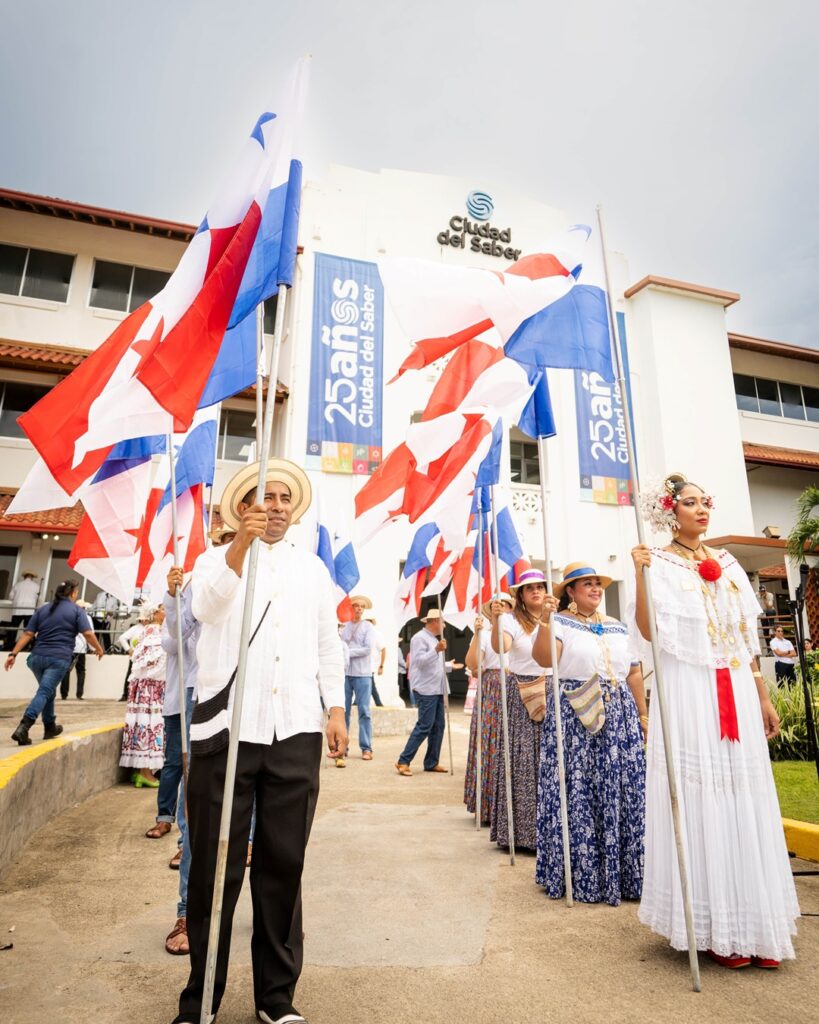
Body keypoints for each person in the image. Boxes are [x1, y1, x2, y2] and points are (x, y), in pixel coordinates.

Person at [174, 458, 346, 1024]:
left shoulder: (314, 570)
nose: (273, 506)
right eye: (262, 498)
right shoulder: (213, 560)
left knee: (283, 863)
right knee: (215, 869)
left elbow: (328, 645)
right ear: (243, 508)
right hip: (228, 730)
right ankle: (202, 1001)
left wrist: (336, 709)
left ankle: (276, 998)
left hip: (295, 727)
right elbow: (205, 607)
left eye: (281, 498)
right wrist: (236, 550)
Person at [633, 473, 798, 968]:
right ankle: (711, 929)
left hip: (736, 690)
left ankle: (755, 924)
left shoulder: (724, 563)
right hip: (689, 689)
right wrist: (639, 577)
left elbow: (744, 638)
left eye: (706, 501)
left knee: (744, 797)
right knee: (701, 795)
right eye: (690, 502)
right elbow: (648, 631)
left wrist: (763, 696)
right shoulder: (656, 562)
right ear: (670, 512)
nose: (702, 509)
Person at [532, 562, 647, 904]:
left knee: (621, 786)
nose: (596, 589)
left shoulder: (617, 627)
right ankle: (581, 873)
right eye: (587, 584)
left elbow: (635, 673)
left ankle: (623, 874)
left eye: (598, 584)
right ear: (570, 591)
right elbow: (543, 660)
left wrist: (643, 714)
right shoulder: (559, 623)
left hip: (620, 714)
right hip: (574, 711)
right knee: (579, 787)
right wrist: (543, 622)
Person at [489, 569, 556, 851]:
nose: (537, 591)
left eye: (541, 587)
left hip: (554, 691)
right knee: (525, 760)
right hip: (523, 692)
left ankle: (554, 829)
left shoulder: (559, 619)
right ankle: (525, 833)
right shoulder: (512, 622)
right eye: (530, 589)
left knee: (552, 760)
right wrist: (495, 620)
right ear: (521, 596)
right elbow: (501, 647)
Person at [4, 579, 104, 744]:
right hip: (58, 659)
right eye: (77, 593)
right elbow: (88, 633)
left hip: (36, 658)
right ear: (72, 593)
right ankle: (24, 727)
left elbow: (28, 634)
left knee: (48, 690)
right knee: (44, 691)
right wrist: (99, 649)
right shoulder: (77, 611)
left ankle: (50, 726)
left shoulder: (43, 609)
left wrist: (13, 654)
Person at [463, 592, 514, 826]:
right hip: (493, 686)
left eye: (505, 605)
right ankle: (487, 804)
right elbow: (473, 665)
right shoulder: (484, 634)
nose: (501, 609)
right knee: (491, 743)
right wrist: (476, 633)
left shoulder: (518, 630)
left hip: (518, 684)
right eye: (497, 605)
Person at [395, 609, 461, 776]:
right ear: (433, 621)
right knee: (425, 725)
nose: (445, 625)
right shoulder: (419, 638)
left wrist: (448, 665)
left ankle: (432, 762)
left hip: (437, 687)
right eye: (442, 622)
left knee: (438, 726)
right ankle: (403, 760)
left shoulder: (433, 639)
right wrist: (436, 650)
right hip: (426, 689)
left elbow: (433, 665)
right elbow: (419, 662)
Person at [119, 605, 167, 787]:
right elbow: (157, 665)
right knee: (150, 725)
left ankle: (140, 771)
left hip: (144, 688)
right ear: (154, 613)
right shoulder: (155, 632)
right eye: (162, 608)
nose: (166, 610)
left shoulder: (146, 631)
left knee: (142, 724)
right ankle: (145, 773)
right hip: (152, 689)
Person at [339, 594, 377, 765]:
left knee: (364, 711)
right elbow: (338, 647)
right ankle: (342, 747)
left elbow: (368, 649)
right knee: (343, 711)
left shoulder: (368, 627)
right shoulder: (343, 627)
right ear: (351, 607)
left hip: (363, 674)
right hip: (346, 673)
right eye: (356, 605)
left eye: (362, 606)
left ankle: (366, 747)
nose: (359, 608)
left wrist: (348, 652)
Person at [5, 570, 40, 650]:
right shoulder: (36, 586)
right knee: (28, 630)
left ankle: (9, 646)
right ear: (32, 578)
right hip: (29, 610)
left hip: (17, 610)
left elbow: (11, 597)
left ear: (24, 576)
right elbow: (39, 599)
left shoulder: (17, 585)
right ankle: (25, 646)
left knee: (13, 629)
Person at [364, 612, 386, 707]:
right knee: (366, 684)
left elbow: (383, 649)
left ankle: (378, 702)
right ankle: (378, 703)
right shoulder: (362, 634)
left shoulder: (377, 634)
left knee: (369, 683)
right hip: (361, 665)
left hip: (371, 664)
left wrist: (381, 666)